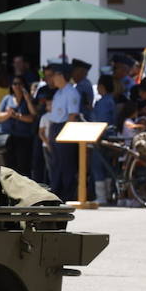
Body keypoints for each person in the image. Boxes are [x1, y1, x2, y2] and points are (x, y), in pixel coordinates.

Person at [40, 60, 81, 201]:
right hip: (55, 127)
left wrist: (66, 134)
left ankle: (67, 194)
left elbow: (72, 115)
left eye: (54, 75)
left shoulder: (71, 92)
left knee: (67, 163)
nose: (51, 78)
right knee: (56, 163)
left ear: (62, 76)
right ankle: (56, 193)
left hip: (65, 127)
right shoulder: (58, 93)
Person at [0, 75, 38, 178]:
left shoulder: (28, 100)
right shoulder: (7, 98)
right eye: (15, 84)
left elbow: (33, 116)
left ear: (24, 85)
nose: (17, 86)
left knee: (23, 166)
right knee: (8, 165)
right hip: (7, 137)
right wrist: (9, 114)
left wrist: (27, 100)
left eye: (20, 84)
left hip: (23, 137)